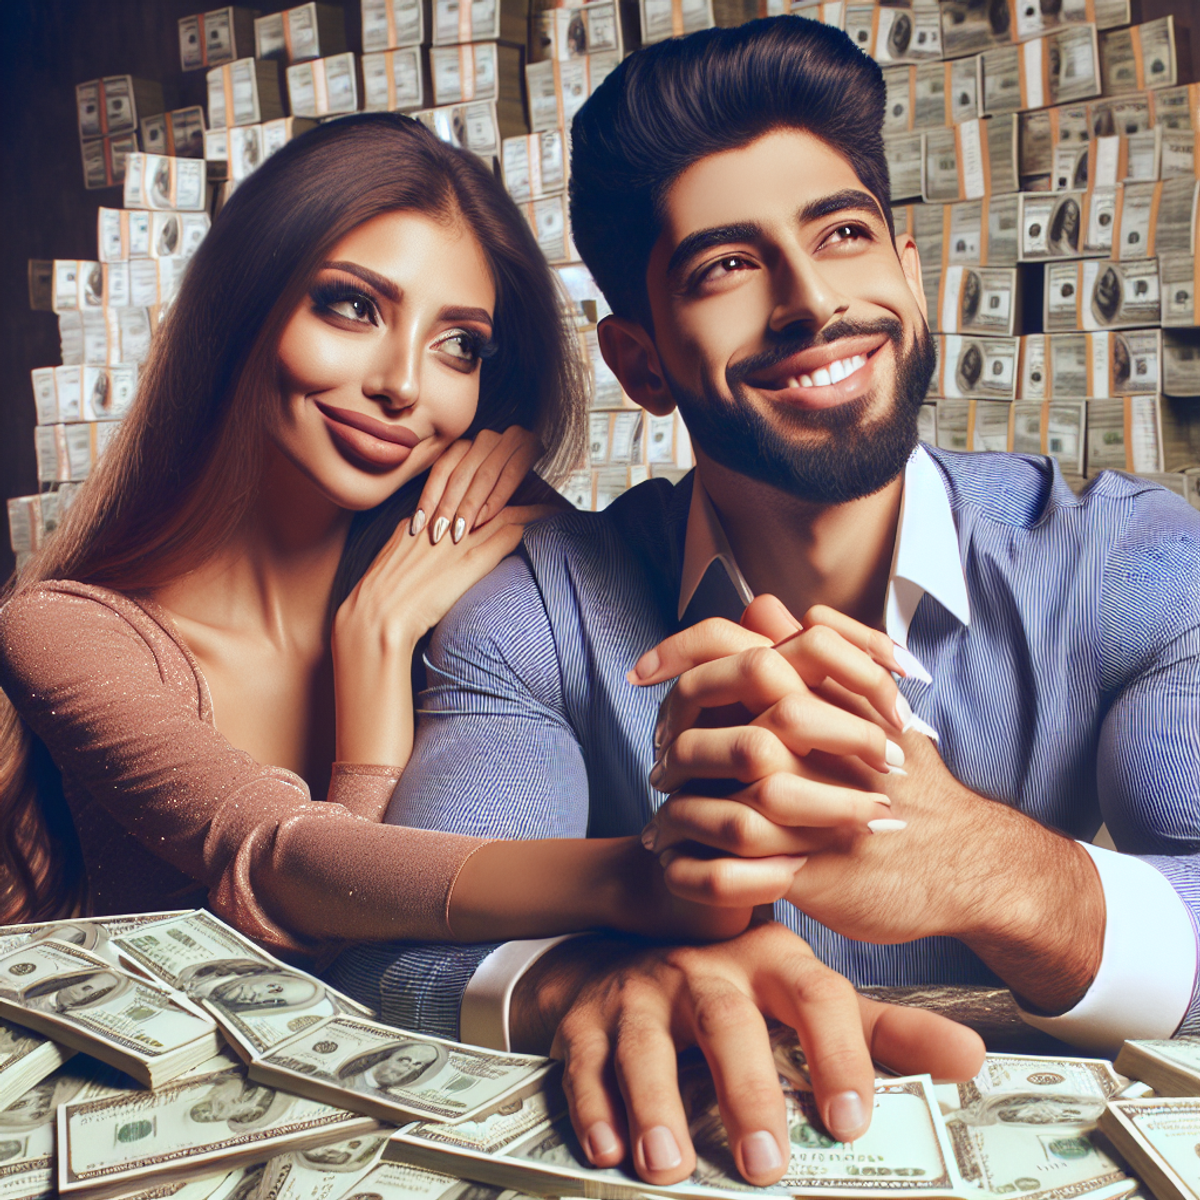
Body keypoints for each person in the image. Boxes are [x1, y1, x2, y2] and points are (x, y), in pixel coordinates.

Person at [0, 112, 980, 1178]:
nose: (403, 386)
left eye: (458, 345)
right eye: (352, 306)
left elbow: (629, 609)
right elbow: (297, 887)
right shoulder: (72, 627)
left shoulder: (481, 567)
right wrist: (375, 664)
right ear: (245, 306)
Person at [332, 13, 1200, 1191]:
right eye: (726, 267)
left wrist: (991, 870)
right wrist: (593, 975)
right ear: (641, 362)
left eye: (844, 234)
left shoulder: (1131, 560)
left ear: (908, 269)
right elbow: (404, 936)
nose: (809, 300)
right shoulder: (535, 610)